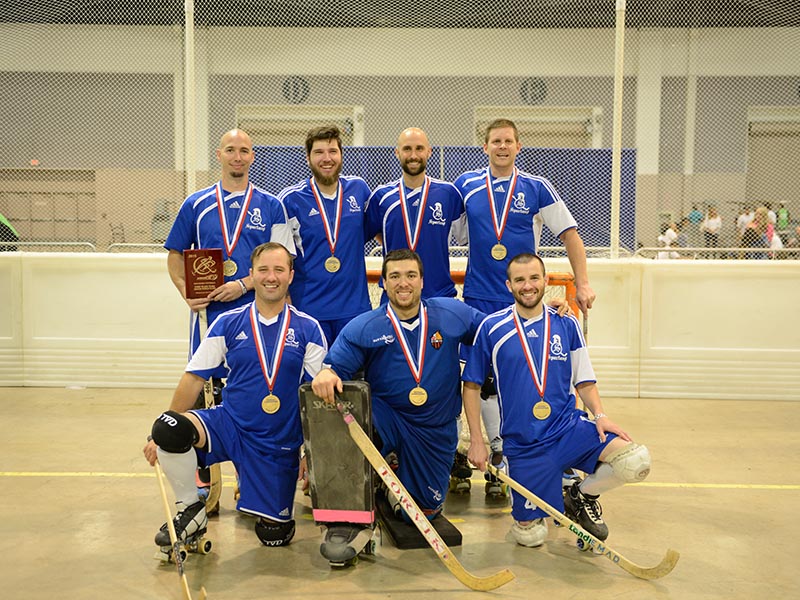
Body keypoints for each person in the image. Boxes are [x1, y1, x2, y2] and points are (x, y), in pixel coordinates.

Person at [143, 242, 327, 550]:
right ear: (251, 275)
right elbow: (193, 378)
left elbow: (317, 398)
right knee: (168, 428)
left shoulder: (308, 329)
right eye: (263, 270)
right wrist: (157, 435)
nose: (271, 277)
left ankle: (268, 503)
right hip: (229, 425)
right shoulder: (227, 323)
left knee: (273, 536)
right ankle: (190, 509)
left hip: (276, 441)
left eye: (279, 270)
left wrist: (312, 451)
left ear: (291, 275)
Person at [462, 253, 651, 548]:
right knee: (531, 537)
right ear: (509, 285)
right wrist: (477, 439)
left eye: (534, 278)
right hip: (524, 447)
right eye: (520, 280)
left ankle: (580, 495)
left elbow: (584, 380)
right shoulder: (492, 328)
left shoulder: (566, 322)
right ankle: (533, 513)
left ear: (546, 280)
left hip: (567, 430)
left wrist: (600, 415)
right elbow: (472, 386)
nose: (528, 286)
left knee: (635, 460)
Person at [452, 118, 596, 496]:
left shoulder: (536, 187)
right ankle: (484, 451)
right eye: (495, 141)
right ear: (485, 147)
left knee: (529, 379)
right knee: (480, 380)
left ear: (518, 146)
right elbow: (439, 229)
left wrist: (582, 283)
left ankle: (535, 452)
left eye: (508, 141)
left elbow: (570, 234)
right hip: (479, 300)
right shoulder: (466, 185)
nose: (502, 147)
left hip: (522, 300)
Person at [311, 249, 485, 559]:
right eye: (394, 276)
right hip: (387, 417)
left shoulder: (452, 314)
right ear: (383, 283)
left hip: (435, 427)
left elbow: (499, 331)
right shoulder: (365, 327)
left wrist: (543, 312)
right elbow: (335, 368)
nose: (403, 283)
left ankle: (389, 482)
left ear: (422, 281)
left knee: (420, 513)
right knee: (345, 428)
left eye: (410, 275)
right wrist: (327, 373)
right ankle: (347, 521)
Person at [164, 129, 295, 503]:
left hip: (258, 321)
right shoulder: (196, 204)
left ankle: (248, 477)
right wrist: (185, 290)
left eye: (245, 151)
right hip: (209, 321)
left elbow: (284, 259)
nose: (238, 157)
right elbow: (175, 254)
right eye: (231, 150)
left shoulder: (272, 205)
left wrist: (244, 284)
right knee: (204, 398)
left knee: (252, 399)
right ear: (219, 154)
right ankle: (204, 485)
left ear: (253, 156)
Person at [279, 126, 372, 345]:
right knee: (313, 368)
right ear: (308, 157)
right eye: (319, 152)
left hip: (354, 309)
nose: (327, 158)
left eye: (332, 151)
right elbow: (281, 257)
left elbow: (379, 232)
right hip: (308, 309)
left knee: (354, 367)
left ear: (341, 155)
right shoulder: (290, 199)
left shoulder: (359, 190)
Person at [365, 127, 464, 300]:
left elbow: (464, 235)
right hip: (395, 296)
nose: (413, 155)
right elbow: (374, 232)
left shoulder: (449, 194)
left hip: (439, 294)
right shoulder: (381, 196)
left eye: (419, 148)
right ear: (397, 152)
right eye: (407, 149)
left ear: (429, 152)